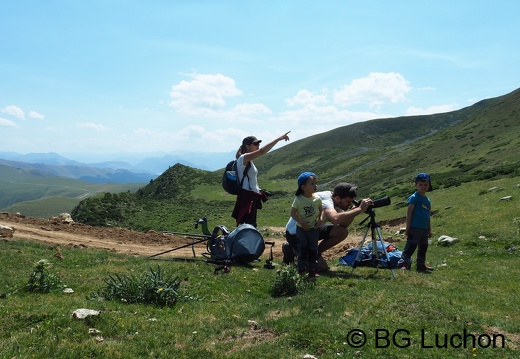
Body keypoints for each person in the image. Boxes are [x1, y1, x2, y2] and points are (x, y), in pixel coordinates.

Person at [283, 182, 374, 271]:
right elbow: (335, 219)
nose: (349, 204)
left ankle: (314, 254)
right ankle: (290, 249)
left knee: (342, 232)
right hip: (296, 233)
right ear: (338, 198)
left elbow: (343, 225)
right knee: (321, 268)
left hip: (313, 229)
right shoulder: (326, 201)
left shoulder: (335, 199)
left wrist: (353, 212)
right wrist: (360, 209)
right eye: (347, 202)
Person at [232, 131, 291, 227]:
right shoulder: (244, 158)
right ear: (247, 146)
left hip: (250, 196)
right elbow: (262, 152)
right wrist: (279, 138)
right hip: (247, 197)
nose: (258, 146)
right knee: (249, 226)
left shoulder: (248, 160)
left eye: (259, 144)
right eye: (255, 144)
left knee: (249, 225)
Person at [397, 173, 435, 272]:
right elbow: (409, 213)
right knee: (411, 246)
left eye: (425, 185)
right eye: (420, 185)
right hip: (415, 227)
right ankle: (403, 264)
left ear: (429, 185)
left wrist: (429, 229)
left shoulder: (427, 200)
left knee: (423, 247)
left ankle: (421, 265)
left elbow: (428, 215)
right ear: (416, 185)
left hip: (424, 228)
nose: (423, 187)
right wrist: (408, 227)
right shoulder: (414, 197)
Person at [290, 172, 324, 277]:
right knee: (303, 249)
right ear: (303, 187)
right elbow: (292, 213)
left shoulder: (317, 198)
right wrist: (301, 222)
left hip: (314, 228)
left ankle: (312, 270)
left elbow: (322, 210)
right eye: (312, 184)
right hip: (302, 229)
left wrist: (321, 220)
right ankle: (301, 270)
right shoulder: (299, 199)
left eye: (316, 183)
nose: (315, 186)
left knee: (313, 249)